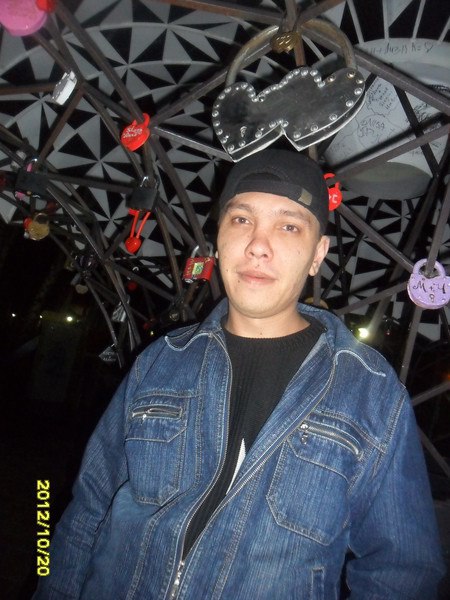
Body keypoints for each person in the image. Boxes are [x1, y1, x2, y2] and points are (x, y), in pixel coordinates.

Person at [34, 149, 445, 599]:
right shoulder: (162, 362)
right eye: (241, 219)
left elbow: (403, 568)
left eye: (289, 226)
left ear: (318, 254)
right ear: (218, 240)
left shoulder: (370, 391)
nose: (257, 245)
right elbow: (88, 511)